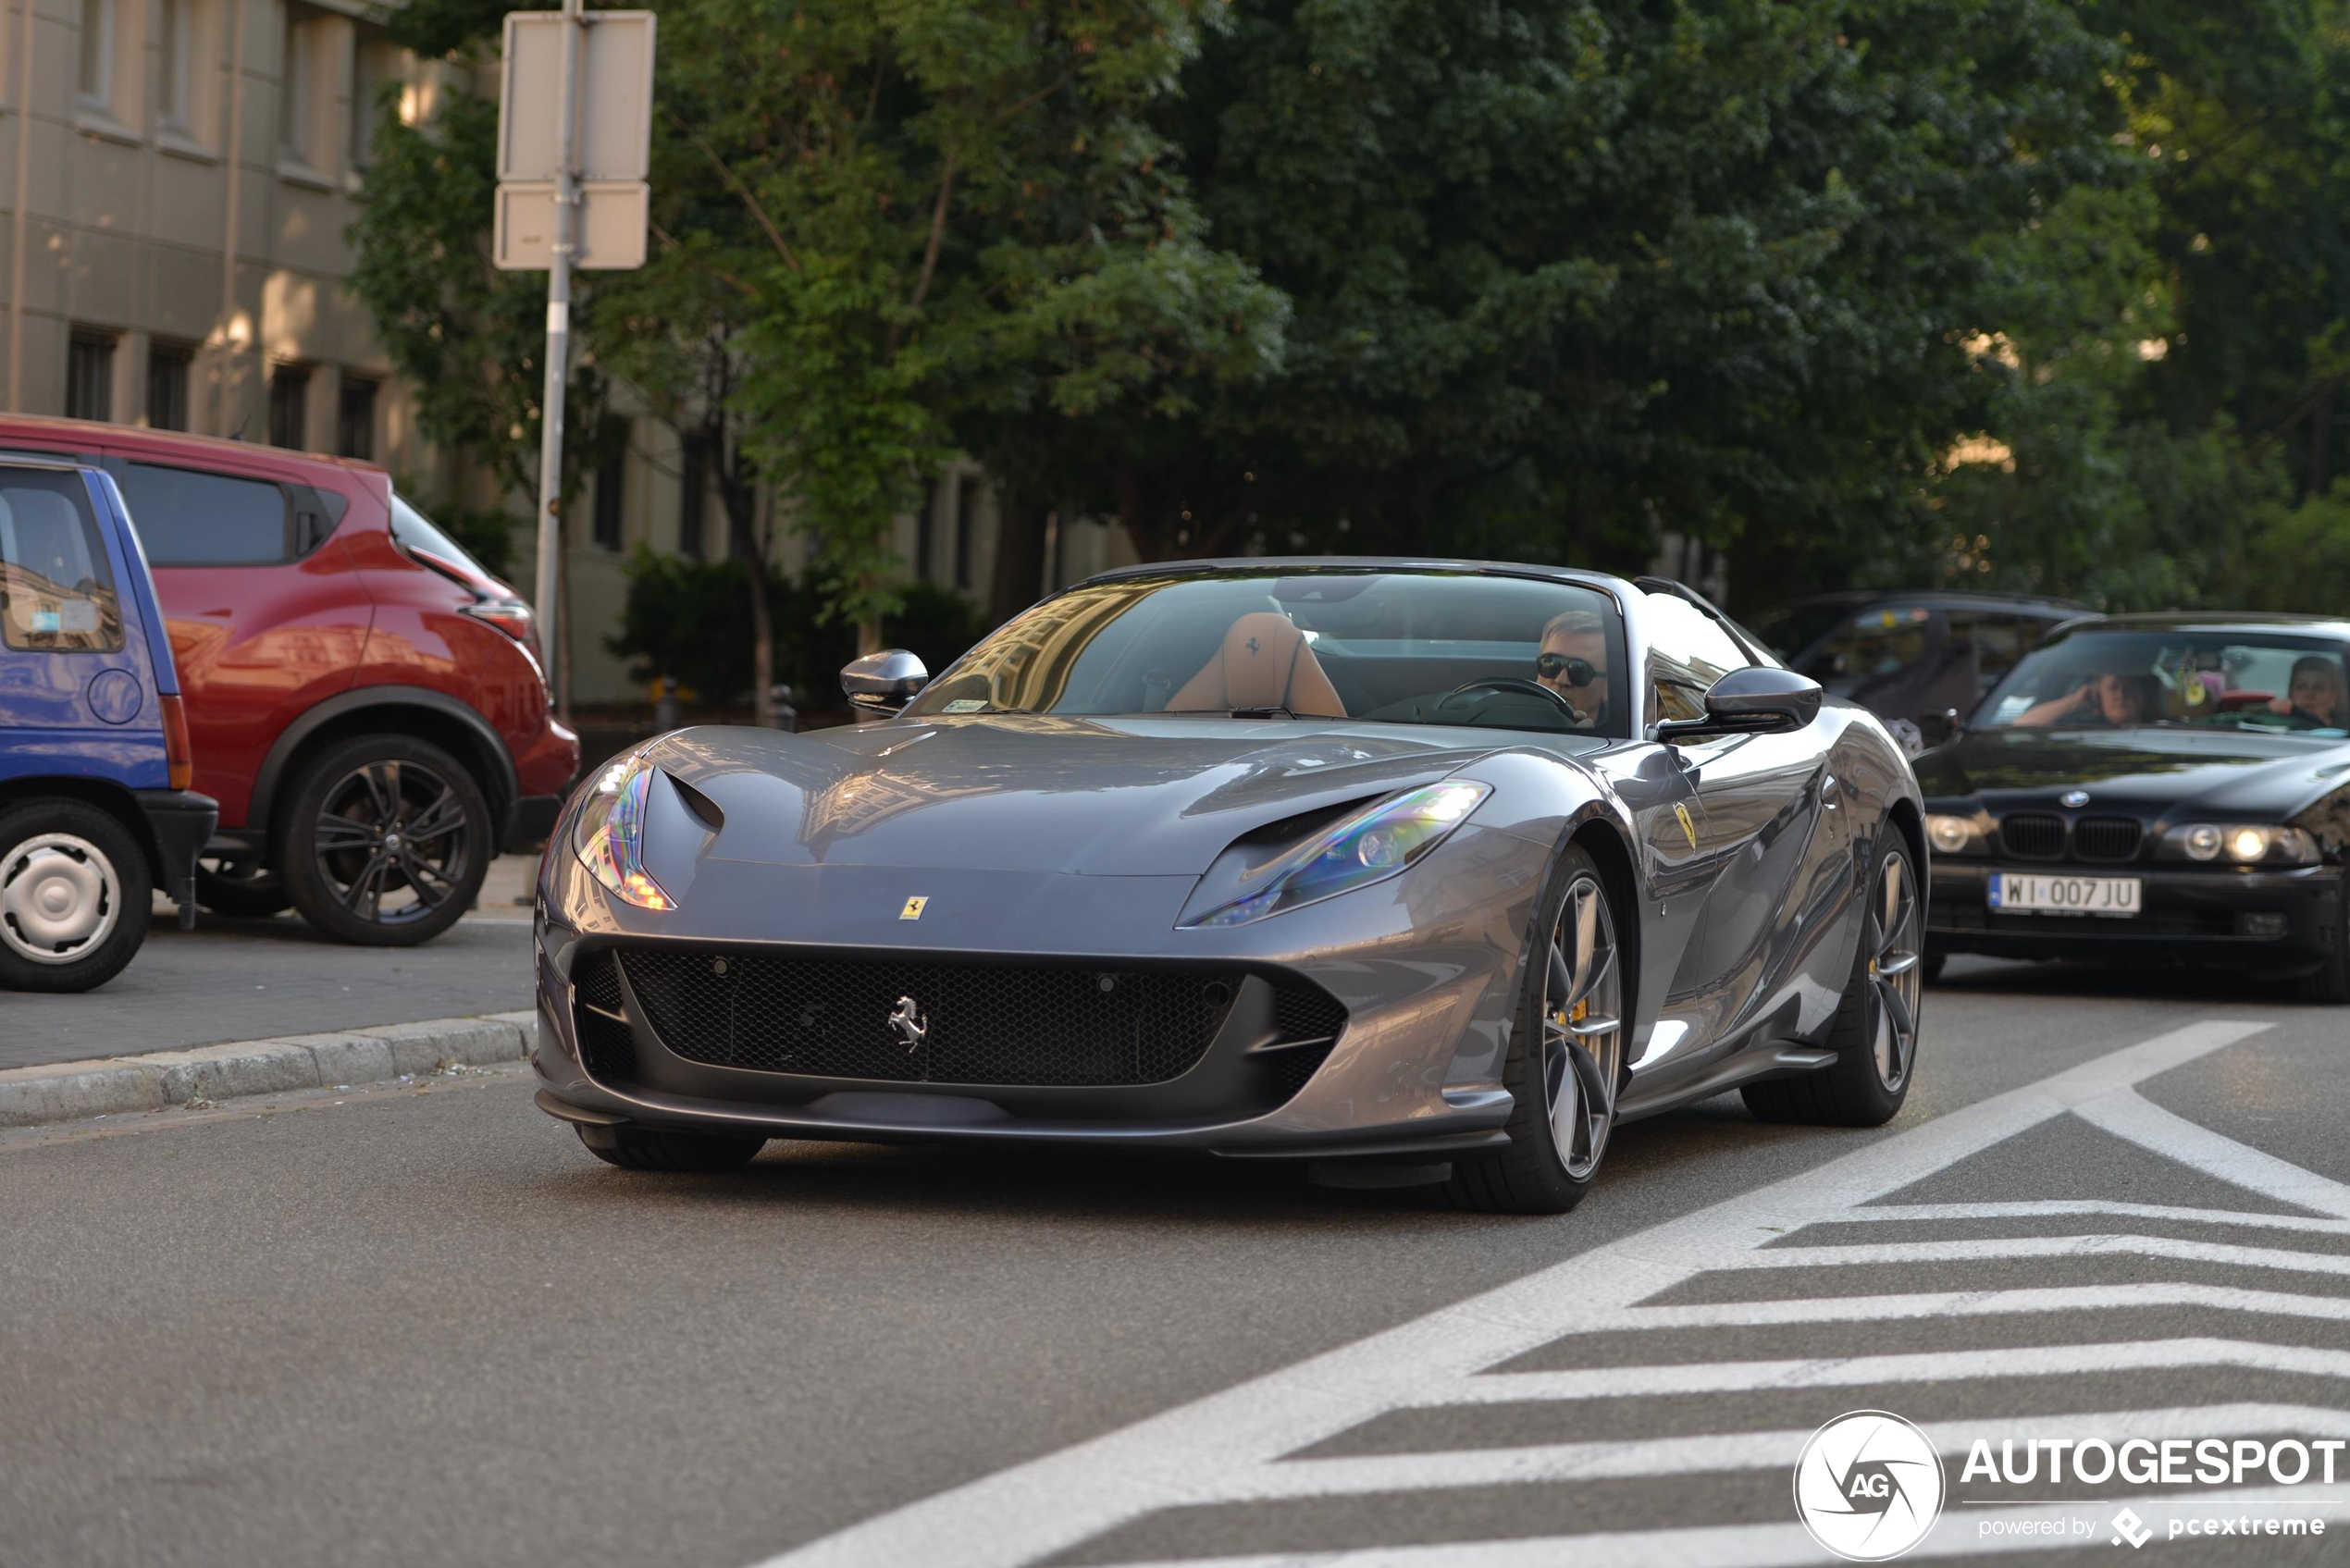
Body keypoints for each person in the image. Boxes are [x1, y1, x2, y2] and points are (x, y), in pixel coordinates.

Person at [1535, 609, 1612, 729]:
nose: (1561, 680)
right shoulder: (1508, 717)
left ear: (1607, 687)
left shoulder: (1621, 737)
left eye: (1579, 669)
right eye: (1551, 662)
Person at [2015, 671, 2157, 728]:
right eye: (2113, 688)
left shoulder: (2160, 731)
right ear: (2098, 693)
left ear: (2141, 694)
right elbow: (2020, 726)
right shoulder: (2081, 731)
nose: (2121, 695)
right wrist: (2073, 702)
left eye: (2128, 688)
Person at [2269, 655, 2350, 729]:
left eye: (2318, 688)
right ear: (2291, 692)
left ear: (2333, 695)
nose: (2309, 695)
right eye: (2301, 687)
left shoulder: (2344, 734)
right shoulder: (2274, 727)